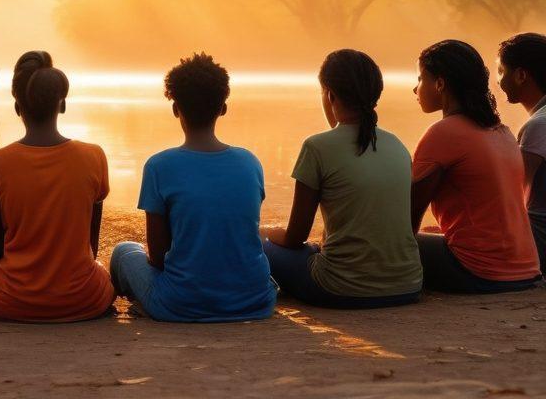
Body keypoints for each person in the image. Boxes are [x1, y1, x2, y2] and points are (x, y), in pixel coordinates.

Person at [0, 51, 114, 322]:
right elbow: (91, 246)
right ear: (62, 104)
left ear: (18, 107)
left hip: (7, 300)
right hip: (83, 299)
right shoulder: (94, 156)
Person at [110, 53, 276, 322]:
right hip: (255, 301)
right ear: (223, 108)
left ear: (176, 109)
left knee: (124, 251)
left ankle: (137, 302)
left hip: (180, 305)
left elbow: (158, 257)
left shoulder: (159, 166)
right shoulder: (249, 162)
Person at [264, 49, 423, 308]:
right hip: (408, 284)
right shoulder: (397, 145)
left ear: (330, 95)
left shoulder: (317, 147)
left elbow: (295, 236)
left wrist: (265, 232)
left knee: (263, 246)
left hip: (341, 288)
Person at [412, 39, 541, 293]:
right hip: (526, 270)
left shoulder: (443, 133)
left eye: (420, 79)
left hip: (479, 272)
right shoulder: (500, 130)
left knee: (374, 242)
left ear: (440, 84)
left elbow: (407, 218)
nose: (415, 89)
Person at [497, 32, 546, 267]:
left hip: (539, 239)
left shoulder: (539, 125)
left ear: (520, 75)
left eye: (501, 72)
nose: (498, 82)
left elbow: (512, 195)